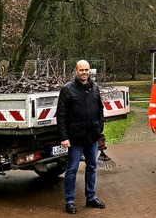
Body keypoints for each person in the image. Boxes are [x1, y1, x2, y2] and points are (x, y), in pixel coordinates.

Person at [57, 60, 106, 214]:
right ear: (76, 71)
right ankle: (69, 201)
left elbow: (100, 109)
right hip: (75, 138)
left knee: (92, 167)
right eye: (81, 70)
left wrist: (99, 127)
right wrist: (64, 137)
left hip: (92, 137)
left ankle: (91, 197)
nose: (84, 73)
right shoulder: (67, 90)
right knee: (72, 169)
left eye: (86, 70)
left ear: (89, 71)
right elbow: (61, 116)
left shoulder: (94, 88)